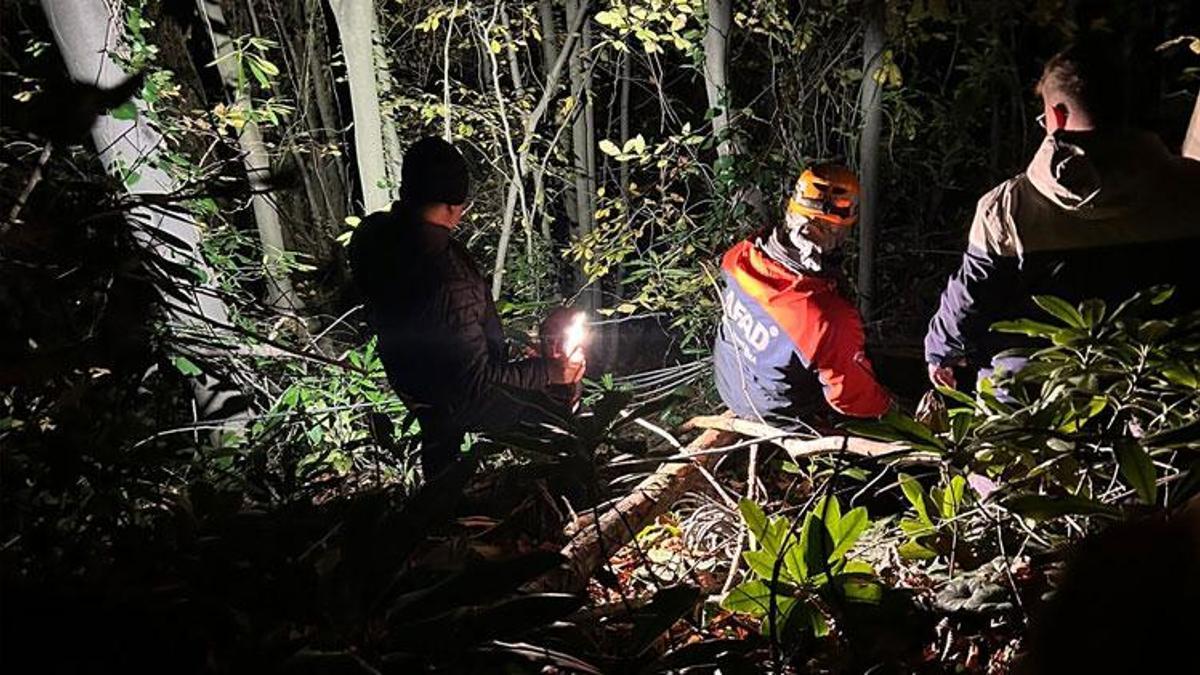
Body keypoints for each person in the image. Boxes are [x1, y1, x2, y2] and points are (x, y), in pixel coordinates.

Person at [925, 40, 1200, 389]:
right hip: (1162, 395)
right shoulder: (1189, 190)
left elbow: (971, 300)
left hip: (1037, 404)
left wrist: (942, 351)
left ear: (1055, 115)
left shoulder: (1009, 208)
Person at [348, 137, 584, 478]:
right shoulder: (447, 274)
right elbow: (475, 382)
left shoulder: (375, 238)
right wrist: (549, 373)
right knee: (557, 404)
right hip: (457, 397)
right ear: (451, 207)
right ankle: (568, 495)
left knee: (449, 426)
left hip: (409, 379)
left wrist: (514, 357)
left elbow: (448, 335)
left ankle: (444, 489)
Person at [713, 164, 892, 427]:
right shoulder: (826, 317)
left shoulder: (738, 257)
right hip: (778, 412)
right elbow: (851, 399)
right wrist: (888, 407)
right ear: (841, 230)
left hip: (728, 384)